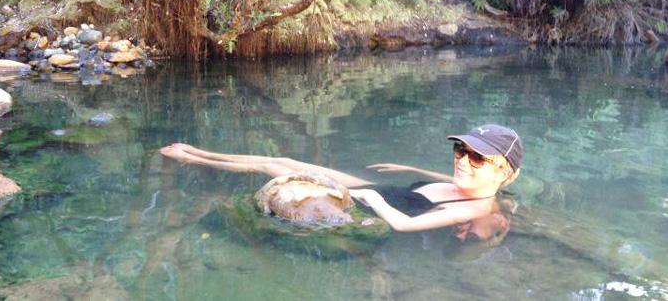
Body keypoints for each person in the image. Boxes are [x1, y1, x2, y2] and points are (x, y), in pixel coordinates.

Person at [161, 124, 523, 234]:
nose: (463, 160)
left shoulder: (472, 208)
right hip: (379, 187)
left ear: (504, 172)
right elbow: (443, 178)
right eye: (460, 150)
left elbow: (403, 225)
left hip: (365, 197)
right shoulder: (467, 182)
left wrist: (374, 201)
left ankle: (194, 159)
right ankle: (201, 152)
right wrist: (410, 170)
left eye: (476, 157)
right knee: (282, 159)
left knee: (275, 168)